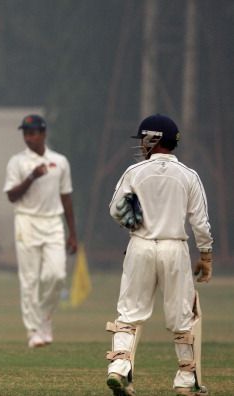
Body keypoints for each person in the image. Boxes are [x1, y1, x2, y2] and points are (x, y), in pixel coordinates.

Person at [105, 114, 213, 396]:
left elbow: (116, 209)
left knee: (129, 314)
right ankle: (185, 380)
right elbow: (200, 221)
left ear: (153, 139)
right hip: (174, 247)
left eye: (143, 138)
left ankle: (118, 369)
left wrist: (136, 223)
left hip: (140, 246)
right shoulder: (189, 175)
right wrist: (206, 256)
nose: (141, 144)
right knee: (182, 317)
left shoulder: (135, 172)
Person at [3, 114, 77, 348]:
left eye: (33, 132)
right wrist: (32, 177)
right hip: (26, 221)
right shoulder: (17, 162)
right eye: (25, 133)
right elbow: (11, 196)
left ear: (44, 134)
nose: (28, 137)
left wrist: (73, 233)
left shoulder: (60, 161)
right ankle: (33, 330)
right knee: (30, 280)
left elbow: (66, 197)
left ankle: (44, 319)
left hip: (53, 223)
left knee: (56, 275)